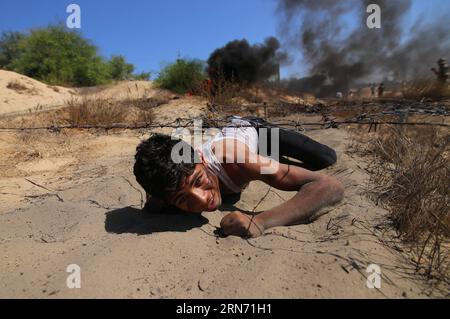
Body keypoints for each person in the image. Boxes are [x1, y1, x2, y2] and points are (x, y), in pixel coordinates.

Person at [133, 116, 344, 238]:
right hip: (234, 142)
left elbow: (328, 185)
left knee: (325, 158)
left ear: (201, 160)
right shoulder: (165, 192)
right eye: (183, 200)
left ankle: (271, 149)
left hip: (255, 130)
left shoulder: (238, 163)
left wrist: (260, 222)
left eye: (199, 181)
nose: (202, 200)